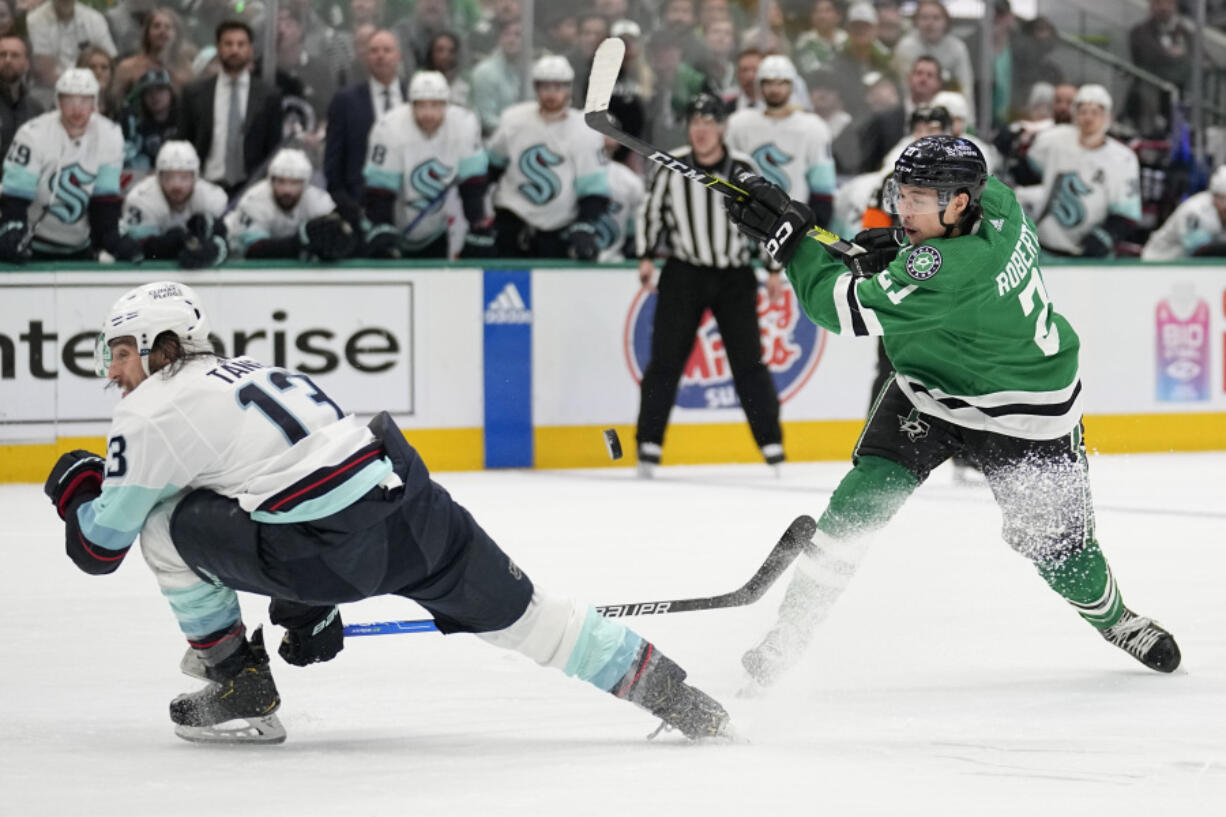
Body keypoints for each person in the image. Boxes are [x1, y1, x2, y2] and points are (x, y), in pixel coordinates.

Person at [43, 279, 735, 745]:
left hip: (319, 546)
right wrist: (302, 606)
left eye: (122, 350)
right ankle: (679, 697)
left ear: (162, 343)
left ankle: (238, 681)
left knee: (165, 520)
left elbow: (99, 549)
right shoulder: (251, 369)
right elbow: (296, 469)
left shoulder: (148, 406)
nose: (114, 368)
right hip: (407, 503)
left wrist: (76, 486)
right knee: (536, 619)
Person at [723, 134, 1181, 690]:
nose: (903, 208)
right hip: (932, 391)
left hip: (1026, 416)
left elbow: (837, 309)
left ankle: (1117, 620)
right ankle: (787, 636)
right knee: (855, 506)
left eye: (918, 198)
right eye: (902, 193)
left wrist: (790, 242)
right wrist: (895, 246)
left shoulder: (955, 268)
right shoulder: (999, 202)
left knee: (1062, 555)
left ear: (958, 202)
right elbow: (922, 259)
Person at [635, 93, 784, 476]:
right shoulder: (672, 166)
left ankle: (772, 446)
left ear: (722, 127)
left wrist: (771, 269)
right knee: (665, 361)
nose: (701, 130)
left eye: (709, 123)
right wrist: (647, 255)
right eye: (695, 122)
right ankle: (648, 445)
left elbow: (764, 218)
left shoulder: (742, 168)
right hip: (685, 272)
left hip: (734, 276)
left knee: (749, 363)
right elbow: (652, 211)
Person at [0, 67, 139, 262]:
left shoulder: (110, 134)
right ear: (58, 101)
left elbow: (104, 202)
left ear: (95, 103)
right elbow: (15, 197)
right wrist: (13, 230)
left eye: (84, 100)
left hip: (79, 245)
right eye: (69, 99)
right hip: (32, 243)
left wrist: (111, 237)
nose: (77, 108)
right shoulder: (32, 134)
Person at [485, 55, 609, 261]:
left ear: (569, 88)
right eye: (545, 87)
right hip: (513, 218)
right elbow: (492, 168)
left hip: (558, 226)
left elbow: (594, 189)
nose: (551, 94)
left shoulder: (585, 130)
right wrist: (479, 217)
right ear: (535, 88)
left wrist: (586, 223)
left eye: (558, 87)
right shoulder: (513, 120)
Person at [362, 70, 488, 259]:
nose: (428, 114)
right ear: (410, 105)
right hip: (392, 227)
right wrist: (382, 227)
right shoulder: (388, 128)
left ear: (447, 104)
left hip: (434, 232)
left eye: (436, 105)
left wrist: (477, 224)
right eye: (421, 105)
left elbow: (472, 184)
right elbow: (380, 191)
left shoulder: (464, 124)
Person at [1016, 85, 1141, 258]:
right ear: (1074, 114)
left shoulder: (1123, 158)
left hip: (1090, 257)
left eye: (1095, 112)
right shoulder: (1053, 140)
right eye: (1083, 111)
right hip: (1044, 248)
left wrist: (1107, 235)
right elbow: (1026, 175)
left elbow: (1126, 214)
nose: (1088, 118)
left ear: (1108, 117)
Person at [726, 54, 836, 230]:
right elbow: (729, 175)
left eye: (781, 83)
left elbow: (822, 189)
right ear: (759, 86)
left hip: (795, 226)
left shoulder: (813, 128)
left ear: (792, 85)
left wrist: (814, 228)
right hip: (746, 225)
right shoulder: (738, 124)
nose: (774, 89)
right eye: (768, 82)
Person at [178, 21, 283, 196]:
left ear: (250, 49)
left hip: (251, 188)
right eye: (228, 44)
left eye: (241, 44)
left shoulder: (268, 96)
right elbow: (183, 141)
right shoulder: (195, 93)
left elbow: (273, 149)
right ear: (218, 48)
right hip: (204, 185)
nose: (234, 50)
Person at [223, 147, 358, 261]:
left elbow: (341, 237)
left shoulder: (317, 200)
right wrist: (300, 241)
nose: (287, 190)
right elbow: (253, 251)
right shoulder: (254, 200)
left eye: (294, 183)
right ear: (271, 181)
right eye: (281, 182)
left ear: (305, 184)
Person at [323, 29, 404, 217]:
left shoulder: (414, 98)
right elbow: (333, 160)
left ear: (398, 56)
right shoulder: (345, 100)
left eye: (387, 50)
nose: (380, 56)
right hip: (360, 204)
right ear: (366, 57)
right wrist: (347, 204)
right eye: (374, 51)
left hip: (409, 204)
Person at [120, 140, 228, 268]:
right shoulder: (141, 199)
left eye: (184, 177)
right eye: (169, 177)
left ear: (195, 177)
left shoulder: (211, 198)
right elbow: (137, 250)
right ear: (158, 177)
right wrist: (166, 246)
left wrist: (215, 248)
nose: (176, 186)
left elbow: (229, 242)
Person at [891, 0, 974, 122]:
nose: (930, 23)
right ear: (916, 21)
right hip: (912, 109)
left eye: (936, 18)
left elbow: (965, 88)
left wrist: (968, 122)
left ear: (946, 22)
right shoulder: (905, 47)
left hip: (948, 111)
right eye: (924, 18)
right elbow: (902, 87)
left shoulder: (957, 48)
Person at [25, 0, 117, 92]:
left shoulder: (94, 18)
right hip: (51, 89)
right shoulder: (35, 20)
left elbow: (109, 58)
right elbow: (45, 72)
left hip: (93, 87)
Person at [111, 7, 198, 102]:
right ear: (147, 33)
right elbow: (115, 102)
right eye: (156, 26)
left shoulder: (186, 69)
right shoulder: (128, 67)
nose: (162, 31)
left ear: (176, 35)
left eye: (168, 27)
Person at [1141, 165, 1226, 260]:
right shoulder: (1195, 211)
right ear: (1216, 196)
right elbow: (1201, 249)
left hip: (1186, 267)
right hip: (1156, 264)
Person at [119, 67, 181, 182]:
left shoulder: (183, 121)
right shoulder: (138, 127)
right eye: (149, 92)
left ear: (171, 92)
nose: (155, 96)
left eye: (160, 89)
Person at [0, 34, 44, 161]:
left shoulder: (36, 109)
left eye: (15, 55)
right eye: (2, 54)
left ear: (27, 64)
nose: (8, 60)